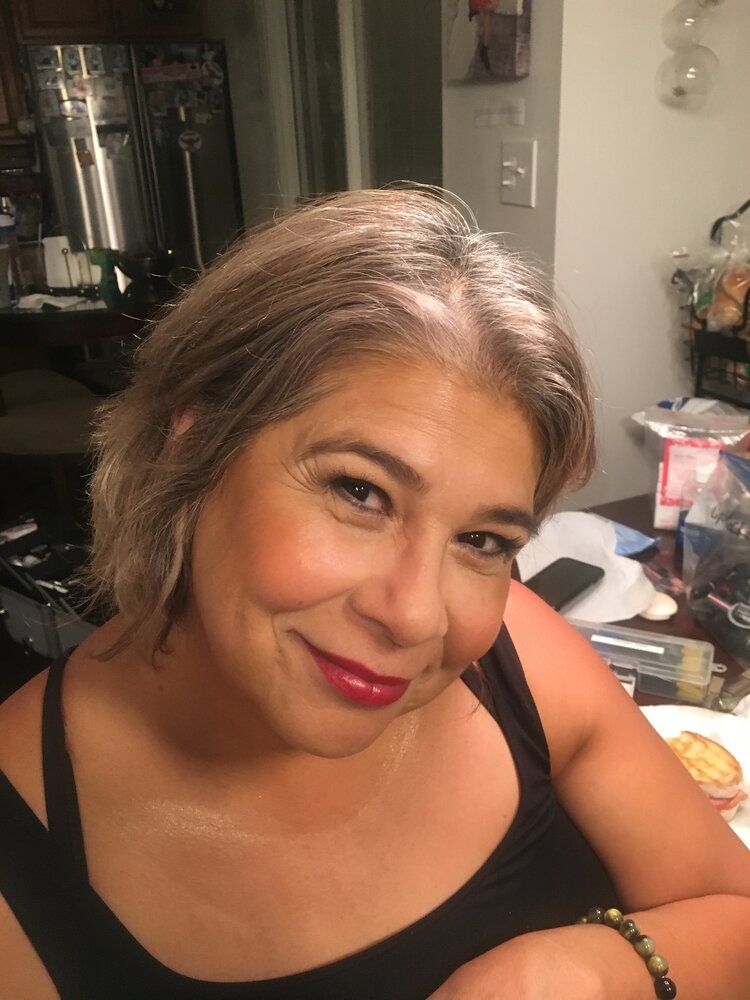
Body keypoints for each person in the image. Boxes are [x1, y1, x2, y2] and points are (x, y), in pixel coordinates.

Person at [1, 187, 748, 1000]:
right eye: (360, 493)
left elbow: (731, 908)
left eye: (483, 541)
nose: (416, 615)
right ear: (197, 443)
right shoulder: (24, 849)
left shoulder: (519, 658)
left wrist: (592, 970)